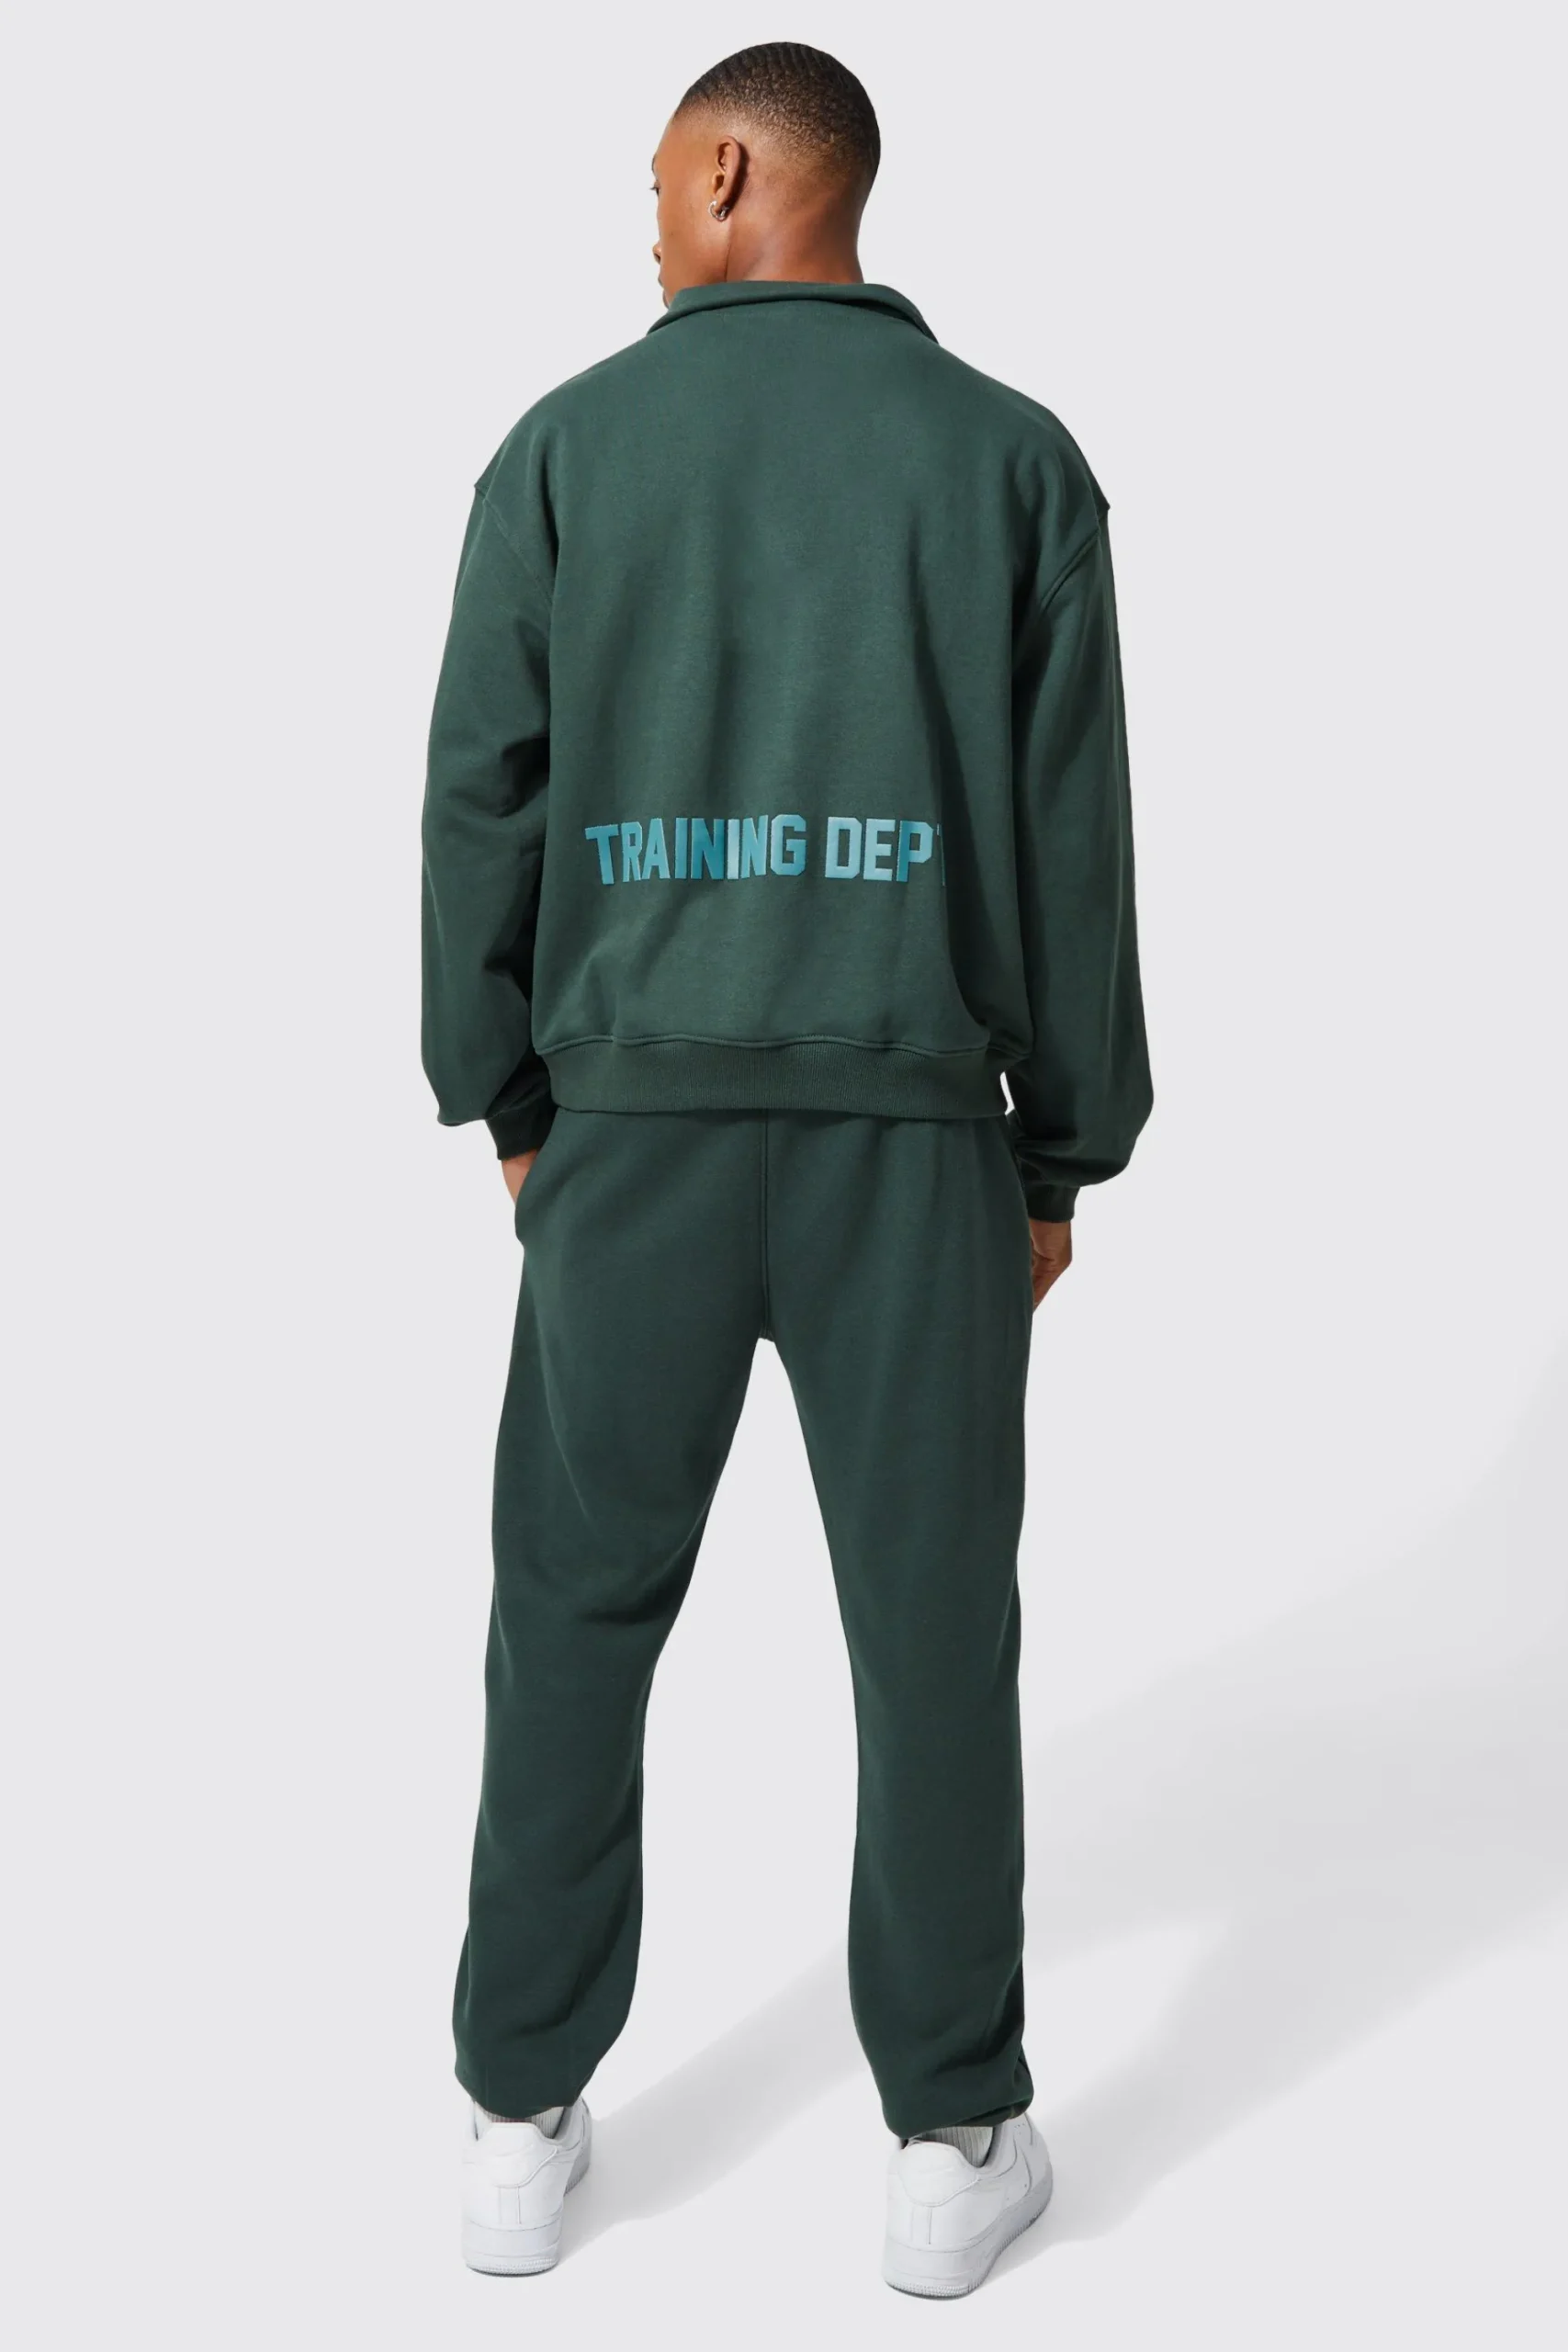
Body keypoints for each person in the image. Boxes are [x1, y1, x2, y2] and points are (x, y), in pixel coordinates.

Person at [421, 40, 1151, 2299]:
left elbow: (479, 797)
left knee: (571, 1609)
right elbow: (1071, 848)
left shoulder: (564, 450)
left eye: (659, 177)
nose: (644, 216)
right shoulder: (1011, 463)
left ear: (736, 167)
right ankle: (952, 2135)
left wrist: (506, 1095)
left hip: (625, 1137)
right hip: (907, 1139)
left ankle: (515, 2118)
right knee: (932, 1634)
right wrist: (1062, 1148)